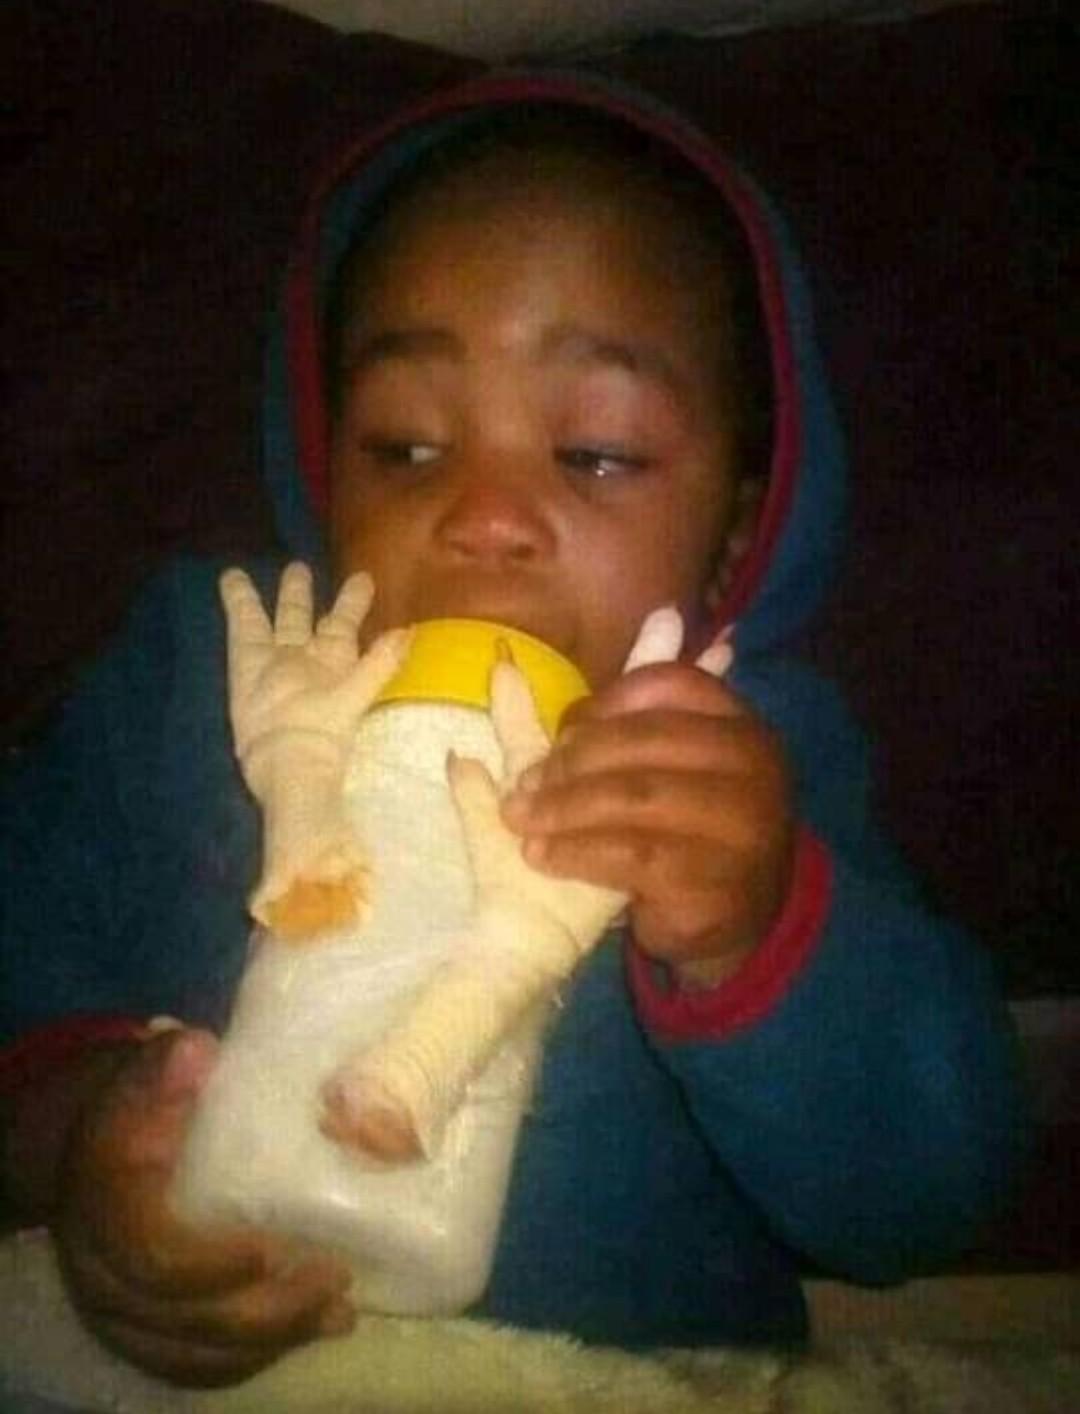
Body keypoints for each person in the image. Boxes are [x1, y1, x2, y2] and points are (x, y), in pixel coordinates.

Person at [0, 73, 1027, 1388]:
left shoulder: (750, 764)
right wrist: (82, 1146)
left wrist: (759, 933)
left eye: (595, 453)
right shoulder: (207, 674)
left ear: (734, 537)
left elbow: (926, 1203)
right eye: (406, 448)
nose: (483, 517)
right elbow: (27, 966)